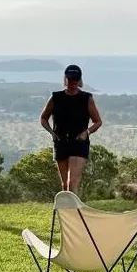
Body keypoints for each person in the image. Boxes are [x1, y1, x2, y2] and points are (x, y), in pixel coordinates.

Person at [40, 64, 102, 194]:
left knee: (72, 182)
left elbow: (97, 121)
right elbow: (43, 118)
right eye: (70, 80)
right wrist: (52, 133)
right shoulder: (56, 97)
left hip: (79, 142)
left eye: (75, 80)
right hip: (61, 141)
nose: (73, 83)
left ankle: (74, 206)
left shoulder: (86, 98)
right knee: (64, 185)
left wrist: (86, 132)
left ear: (79, 80)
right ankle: (66, 207)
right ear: (65, 79)